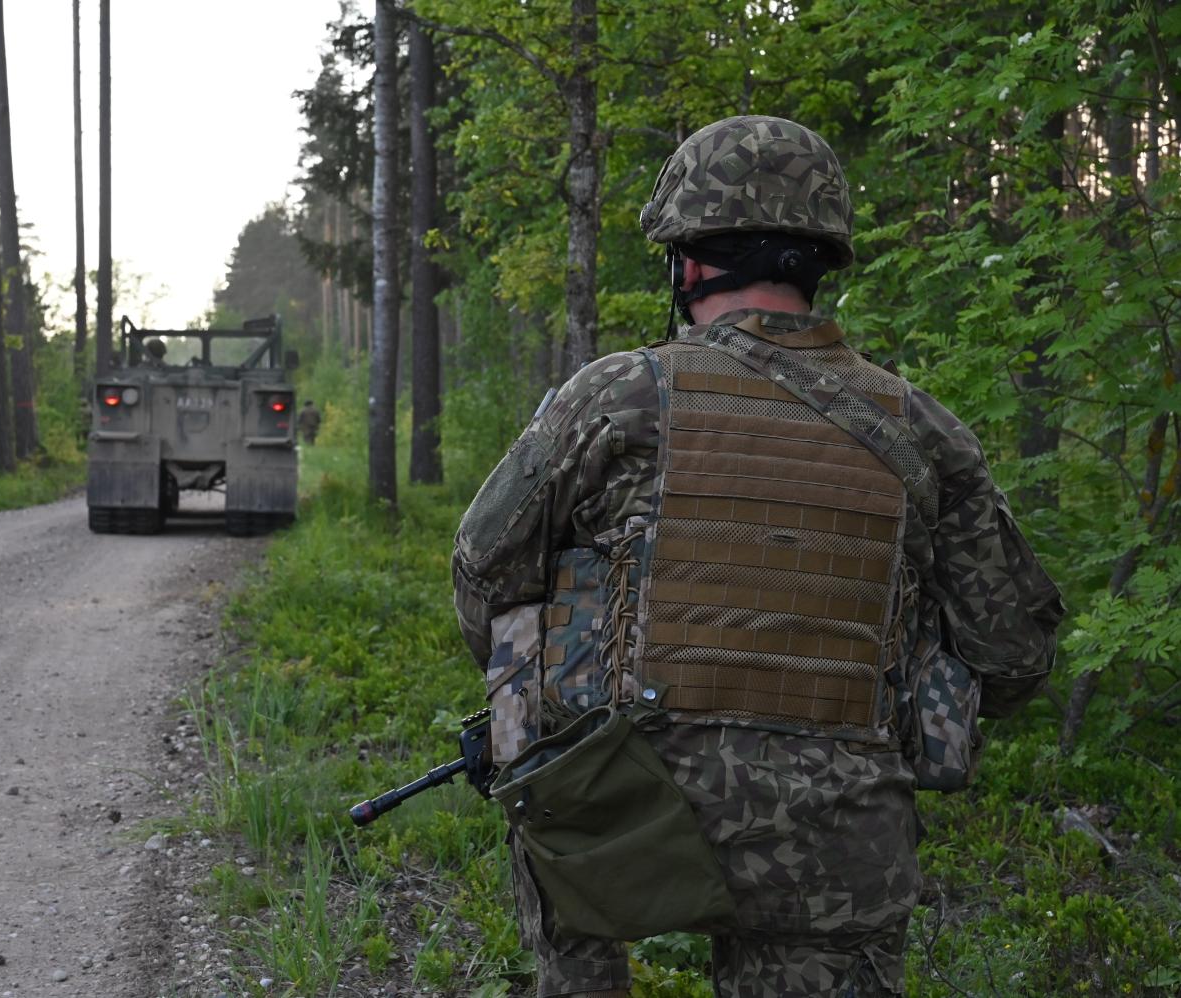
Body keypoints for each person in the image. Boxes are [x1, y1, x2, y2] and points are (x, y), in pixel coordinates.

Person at [451, 115, 1064, 998]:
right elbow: (1012, 658)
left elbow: (483, 576)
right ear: (819, 262)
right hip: (838, 844)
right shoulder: (926, 433)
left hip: (621, 816)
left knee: (530, 697)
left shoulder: (617, 396)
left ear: (690, 263)